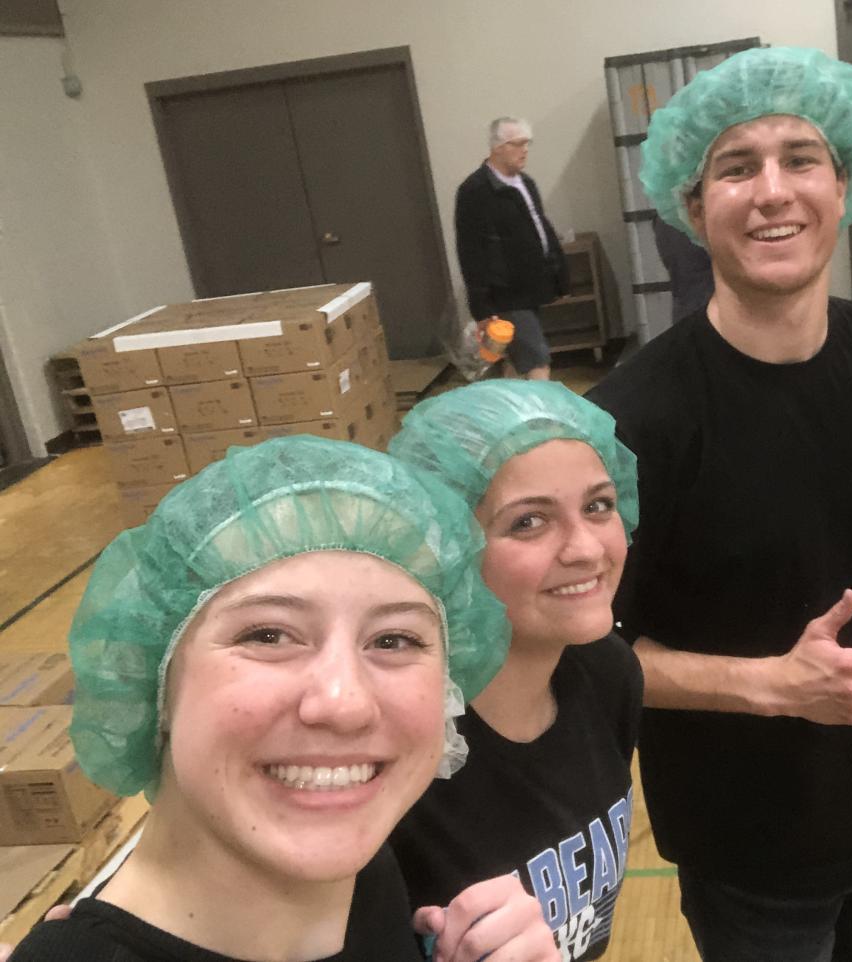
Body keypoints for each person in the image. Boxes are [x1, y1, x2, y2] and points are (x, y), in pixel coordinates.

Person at [586, 46, 852, 962]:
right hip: (748, 851)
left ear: (843, 184)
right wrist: (771, 686)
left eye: (801, 158)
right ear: (694, 208)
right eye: (737, 167)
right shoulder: (632, 418)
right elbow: (590, 651)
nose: (773, 191)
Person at [5, 435, 558, 962]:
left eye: (394, 640)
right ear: (154, 681)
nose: (344, 703)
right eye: (267, 635)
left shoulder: (359, 875)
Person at [387, 380, 643, 962]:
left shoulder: (608, 674)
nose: (587, 549)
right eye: (529, 521)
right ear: (445, 549)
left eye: (599, 506)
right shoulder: (401, 754)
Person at [455, 117, 567, 381]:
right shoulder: (475, 191)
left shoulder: (525, 183)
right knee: (537, 360)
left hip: (532, 288)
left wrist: (559, 274)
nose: (524, 150)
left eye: (527, 144)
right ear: (498, 147)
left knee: (518, 360)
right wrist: (481, 306)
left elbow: (540, 228)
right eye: (517, 144)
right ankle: (544, 408)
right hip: (506, 294)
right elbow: (470, 251)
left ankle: (508, 405)